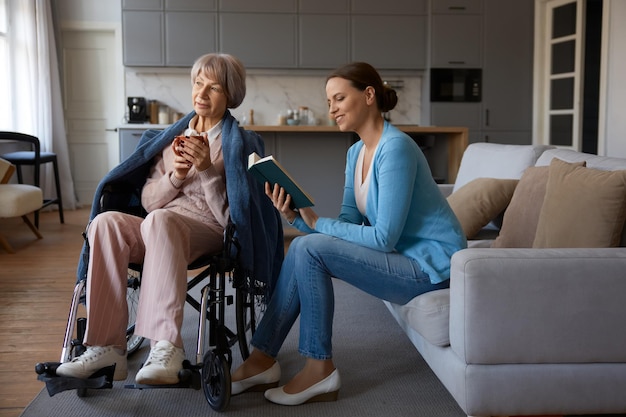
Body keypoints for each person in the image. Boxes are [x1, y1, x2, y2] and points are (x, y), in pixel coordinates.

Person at [230, 62, 467, 406]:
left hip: (430, 267)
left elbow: (383, 237)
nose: (332, 109)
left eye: (339, 98)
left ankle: (319, 367)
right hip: (403, 256)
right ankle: (262, 359)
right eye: (329, 101)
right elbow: (347, 225)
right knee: (305, 246)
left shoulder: (396, 148)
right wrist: (295, 217)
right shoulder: (356, 152)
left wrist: (316, 223)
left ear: (369, 95)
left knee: (310, 247)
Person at [56, 53, 283, 385]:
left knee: (162, 221)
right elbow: (148, 202)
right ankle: (106, 348)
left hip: (208, 230)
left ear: (230, 94)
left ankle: (166, 347)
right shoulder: (171, 138)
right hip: (158, 225)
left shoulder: (241, 145)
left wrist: (205, 170)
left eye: (214, 87)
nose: (201, 94)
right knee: (105, 223)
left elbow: (234, 218)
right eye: (197, 83)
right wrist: (174, 177)